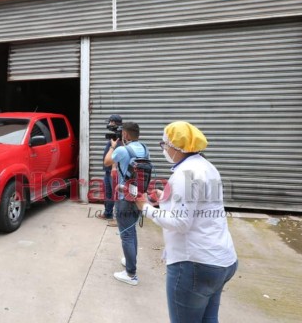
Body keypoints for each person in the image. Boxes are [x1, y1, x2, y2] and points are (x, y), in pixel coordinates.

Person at [139, 121, 238, 322]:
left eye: (165, 144)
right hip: (221, 260)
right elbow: (199, 205)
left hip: (195, 264)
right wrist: (164, 198)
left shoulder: (186, 174)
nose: (164, 149)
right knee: (208, 319)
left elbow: (180, 223)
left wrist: (145, 208)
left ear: (177, 147)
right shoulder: (206, 166)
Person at [104, 121, 149, 285]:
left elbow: (107, 162)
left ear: (126, 135)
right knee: (132, 230)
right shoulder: (145, 148)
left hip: (124, 198)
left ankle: (131, 274)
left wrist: (112, 147)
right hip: (138, 196)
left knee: (126, 235)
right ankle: (130, 261)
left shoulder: (122, 150)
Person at [97, 114, 122, 227]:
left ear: (115, 123)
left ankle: (118, 219)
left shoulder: (119, 137)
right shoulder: (113, 136)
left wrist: (113, 168)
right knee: (108, 193)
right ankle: (108, 213)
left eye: (111, 122)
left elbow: (117, 154)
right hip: (108, 171)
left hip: (113, 171)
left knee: (116, 194)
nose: (109, 124)